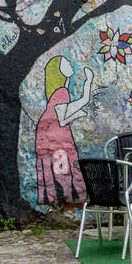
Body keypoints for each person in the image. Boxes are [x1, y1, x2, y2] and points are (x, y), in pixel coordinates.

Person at [35, 47, 94, 205]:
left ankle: (55, 196)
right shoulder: (61, 92)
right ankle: (67, 195)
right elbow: (62, 116)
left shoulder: (60, 91)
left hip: (49, 131)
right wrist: (88, 83)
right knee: (63, 165)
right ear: (59, 70)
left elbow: (61, 114)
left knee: (56, 167)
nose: (70, 64)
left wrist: (76, 112)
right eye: (66, 63)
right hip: (53, 135)